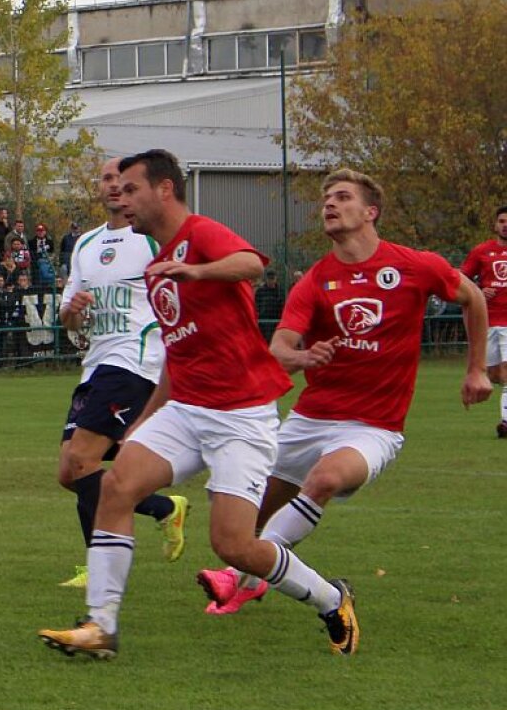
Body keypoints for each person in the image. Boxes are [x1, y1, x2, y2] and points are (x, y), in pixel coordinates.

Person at [39, 149, 359, 661]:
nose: (122, 197)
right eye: (117, 189)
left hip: (241, 415)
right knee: (114, 487)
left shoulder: (199, 235)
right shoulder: (154, 264)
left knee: (234, 546)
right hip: (186, 409)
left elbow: (251, 263)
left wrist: (196, 272)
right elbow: (177, 355)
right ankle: (101, 626)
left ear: (164, 189)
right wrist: (145, 422)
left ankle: (330, 598)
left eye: (132, 188)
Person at [198, 169, 491, 614]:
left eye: (342, 197)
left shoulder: (415, 265)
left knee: (327, 478)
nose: (329, 205)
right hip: (310, 418)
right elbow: (279, 349)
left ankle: (244, 576)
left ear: (370, 212)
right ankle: (251, 574)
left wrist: (476, 371)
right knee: (245, 517)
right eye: (326, 199)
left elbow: (475, 298)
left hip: (373, 427)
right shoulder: (316, 280)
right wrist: (304, 358)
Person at [54, 157, 187, 591]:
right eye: (108, 179)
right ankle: (164, 507)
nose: (114, 187)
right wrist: (71, 314)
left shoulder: (150, 240)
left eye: (123, 182)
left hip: (135, 361)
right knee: (70, 472)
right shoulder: (87, 244)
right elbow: (68, 319)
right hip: (95, 365)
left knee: (82, 460)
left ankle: (99, 569)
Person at [460, 205, 507, 436]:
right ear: (495, 225)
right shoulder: (481, 252)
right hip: (487, 322)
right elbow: (460, 279)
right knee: (495, 375)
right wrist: (480, 288)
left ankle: (505, 422)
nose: (505, 225)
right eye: (502, 221)